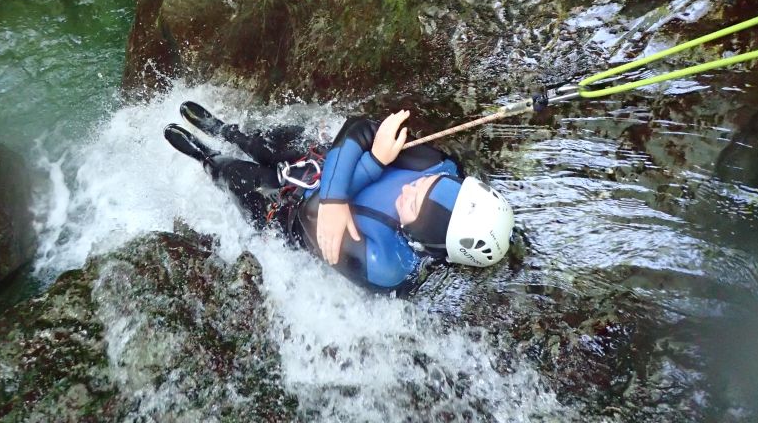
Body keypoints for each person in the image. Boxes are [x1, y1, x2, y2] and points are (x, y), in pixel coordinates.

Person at [164, 102, 515, 293]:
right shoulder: (438, 166)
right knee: (266, 142)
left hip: (290, 215)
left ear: (424, 241)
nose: (411, 187)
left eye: (415, 204)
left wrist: (372, 162)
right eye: (427, 185)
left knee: (237, 175)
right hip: (320, 162)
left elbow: (313, 216)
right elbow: (359, 126)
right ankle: (227, 131)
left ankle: (204, 155)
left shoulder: (389, 266)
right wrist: (338, 195)